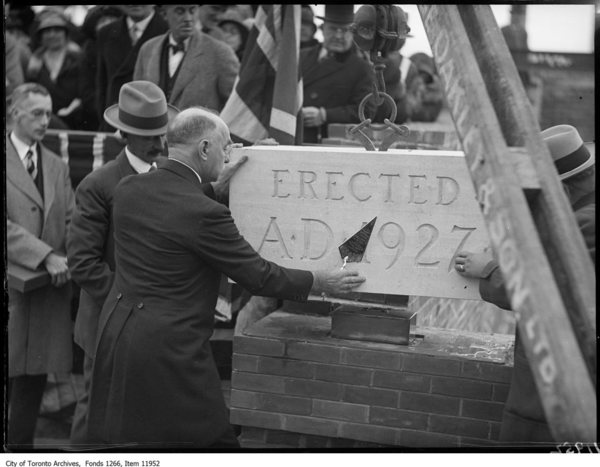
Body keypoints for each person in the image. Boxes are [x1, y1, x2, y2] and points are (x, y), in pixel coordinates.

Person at [85, 107, 366, 448]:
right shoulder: (206, 214)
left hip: (117, 335)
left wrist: (210, 185)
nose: (230, 153)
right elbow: (259, 276)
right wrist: (320, 281)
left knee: (125, 441)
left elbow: (171, 211)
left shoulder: (129, 189)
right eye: (226, 146)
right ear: (204, 149)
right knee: (212, 443)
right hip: (170, 350)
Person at [454, 124, 595, 443]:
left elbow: (540, 290)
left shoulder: (584, 224)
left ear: (563, 192)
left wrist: (489, 269)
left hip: (559, 389)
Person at [6, 83, 76, 449]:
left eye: (48, 113)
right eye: (36, 113)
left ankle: (19, 452)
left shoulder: (56, 164)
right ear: (15, 113)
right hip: (13, 292)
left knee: (33, 378)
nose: (45, 121)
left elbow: (72, 220)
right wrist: (44, 255)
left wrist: (68, 258)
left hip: (47, 291)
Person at [134, 4, 239, 113]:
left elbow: (235, 105)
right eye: (180, 12)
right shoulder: (148, 49)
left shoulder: (220, 52)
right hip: (154, 128)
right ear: (164, 14)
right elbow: (137, 98)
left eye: (192, 11)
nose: (188, 19)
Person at [300, 5, 374, 143]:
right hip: (296, 138)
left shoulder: (362, 68)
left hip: (331, 143)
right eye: (333, 29)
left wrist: (325, 115)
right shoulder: (301, 57)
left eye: (345, 30)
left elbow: (367, 112)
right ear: (322, 29)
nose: (338, 36)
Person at [96, 5, 168, 131]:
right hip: (115, 122)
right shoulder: (106, 33)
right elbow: (101, 84)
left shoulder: (167, 32)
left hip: (151, 125)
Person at [25, 12, 83, 130]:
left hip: (77, 120)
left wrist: (71, 108)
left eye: (57, 30)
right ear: (40, 36)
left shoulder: (78, 57)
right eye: (47, 31)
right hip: (43, 122)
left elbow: (86, 91)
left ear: (65, 34)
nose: (52, 35)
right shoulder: (34, 61)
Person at [78, 5, 124, 130]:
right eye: (103, 22)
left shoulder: (127, 49)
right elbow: (87, 92)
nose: (109, 25)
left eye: (112, 20)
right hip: (99, 118)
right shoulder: (89, 53)